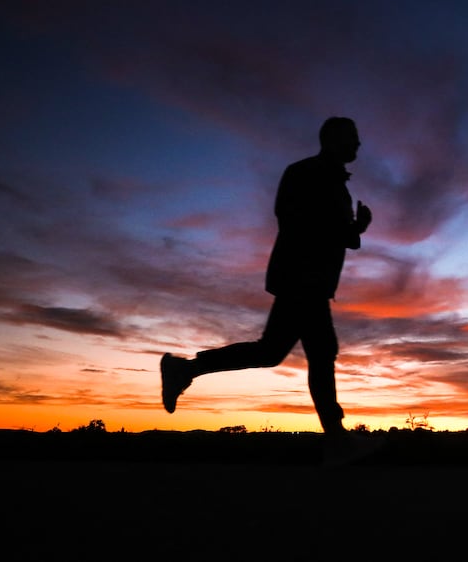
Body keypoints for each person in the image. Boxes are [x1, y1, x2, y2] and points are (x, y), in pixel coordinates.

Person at [160, 116, 375, 463]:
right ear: (333, 139)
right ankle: (337, 443)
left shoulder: (337, 184)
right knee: (318, 354)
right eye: (353, 138)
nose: (358, 145)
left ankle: (184, 370)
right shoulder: (304, 173)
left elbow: (339, 236)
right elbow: (293, 220)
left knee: (276, 352)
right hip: (301, 279)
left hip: (312, 282)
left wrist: (357, 228)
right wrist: (345, 229)